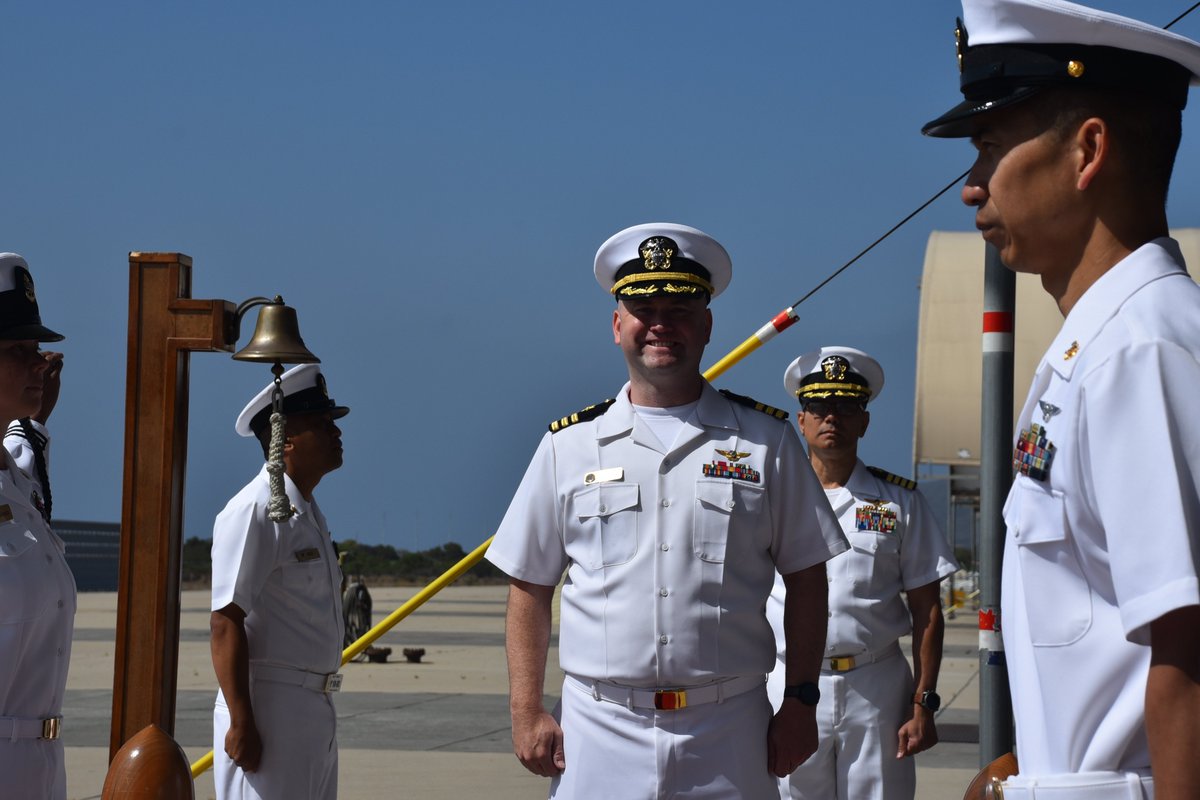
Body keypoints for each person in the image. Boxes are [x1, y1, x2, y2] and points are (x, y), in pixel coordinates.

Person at [923, 1, 1200, 798]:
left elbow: (1188, 656)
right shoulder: (1103, 345)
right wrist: (1030, 772)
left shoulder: (1139, 353)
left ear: (1088, 150)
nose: (971, 189)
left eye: (990, 148)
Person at [485, 222, 848, 798]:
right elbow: (529, 584)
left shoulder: (764, 442)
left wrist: (801, 700)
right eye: (643, 308)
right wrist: (525, 708)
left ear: (705, 326)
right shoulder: (567, 446)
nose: (661, 324)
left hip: (730, 727)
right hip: (598, 728)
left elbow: (807, 576)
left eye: (679, 309)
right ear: (617, 325)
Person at [766, 346, 957, 800]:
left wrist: (923, 702)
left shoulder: (899, 502)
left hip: (875, 688)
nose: (832, 417)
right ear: (801, 419)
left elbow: (928, 610)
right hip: (787, 684)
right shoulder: (772, 499)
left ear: (865, 421)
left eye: (847, 406)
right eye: (819, 406)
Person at [210, 363, 348, 800]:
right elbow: (225, 619)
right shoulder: (252, 510)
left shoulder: (309, 514)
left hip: (314, 706)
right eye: (322, 424)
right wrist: (241, 720)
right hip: (269, 708)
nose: (336, 432)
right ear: (284, 438)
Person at [0, 252, 75, 800]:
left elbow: (23, 455)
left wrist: (36, 423)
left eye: (36, 349)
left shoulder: (16, 487)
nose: (38, 364)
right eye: (17, 352)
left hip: (41, 766)